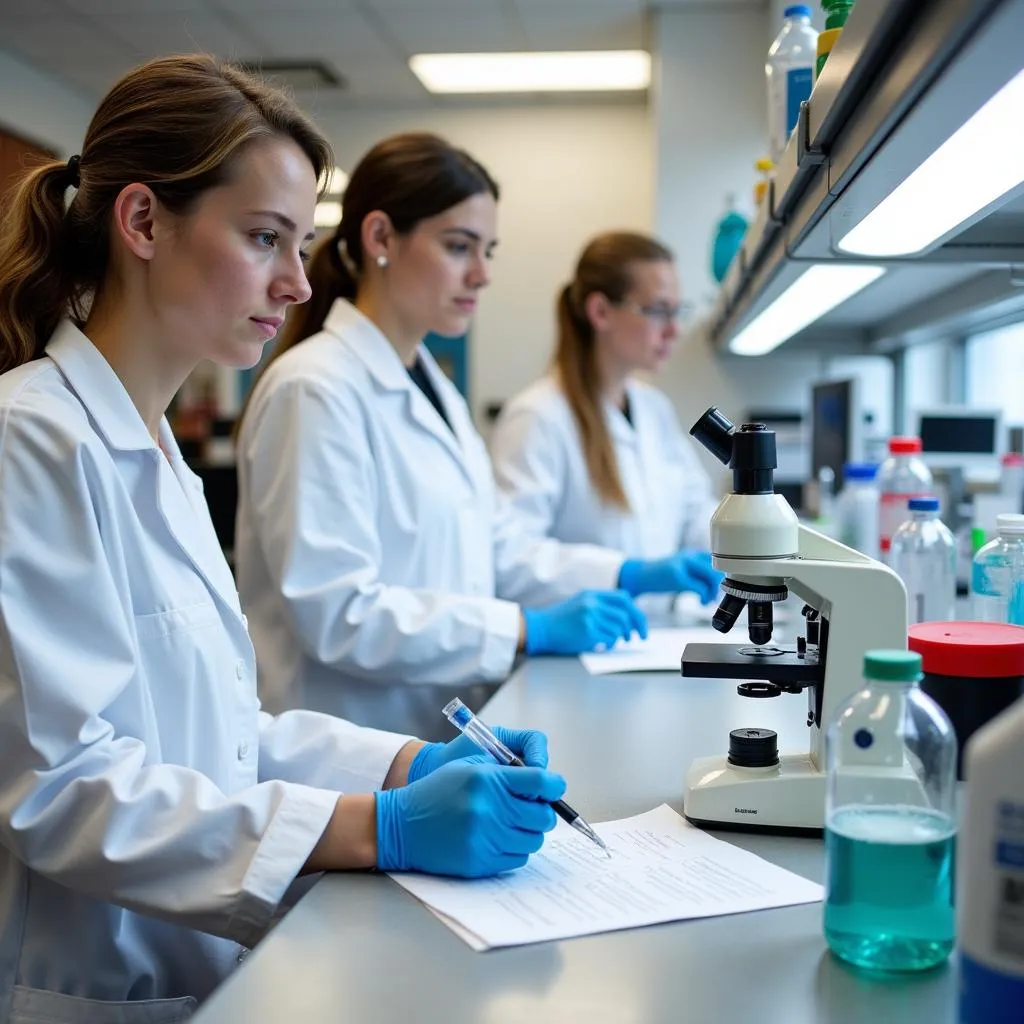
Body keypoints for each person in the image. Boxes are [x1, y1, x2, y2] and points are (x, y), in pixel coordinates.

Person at [0, 57, 564, 1021]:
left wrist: (402, 765)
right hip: (94, 983)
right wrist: (369, 827)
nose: (297, 281)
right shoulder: (30, 439)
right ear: (141, 222)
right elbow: (61, 787)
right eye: (265, 238)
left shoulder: (151, 448)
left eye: (301, 243)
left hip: (200, 968)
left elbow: (216, 737)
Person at [234, 133, 702, 739]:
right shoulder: (315, 389)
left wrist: (626, 574)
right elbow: (338, 612)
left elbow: (495, 548)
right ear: (380, 238)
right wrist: (524, 630)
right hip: (350, 755)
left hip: (436, 736)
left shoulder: (436, 390)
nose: (482, 275)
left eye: (489, 251)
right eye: (459, 247)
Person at [491, 231, 722, 613]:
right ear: (600, 312)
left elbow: (694, 512)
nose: (673, 330)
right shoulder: (538, 417)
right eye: (658, 311)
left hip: (652, 639)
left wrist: (752, 543)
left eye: (676, 311)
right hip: (582, 650)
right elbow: (511, 559)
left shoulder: (653, 409)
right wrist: (625, 573)